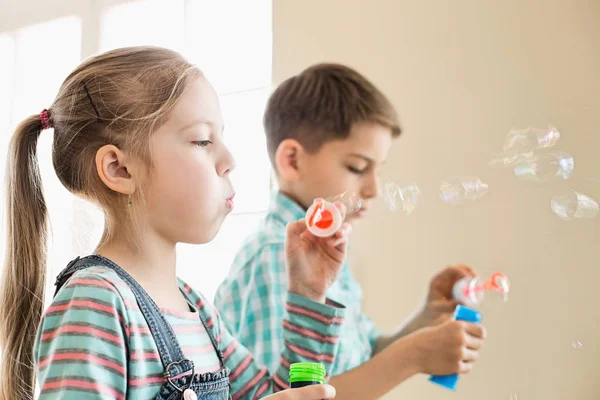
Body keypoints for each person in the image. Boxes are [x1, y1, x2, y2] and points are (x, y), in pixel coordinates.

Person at [0, 47, 353, 400]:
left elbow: (282, 395)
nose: (229, 159)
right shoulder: (95, 303)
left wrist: (308, 293)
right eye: (202, 140)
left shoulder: (197, 310)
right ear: (119, 169)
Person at [215, 63, 487, 399]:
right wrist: (414, 356)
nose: (374, 189)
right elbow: (293, 395)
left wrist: (425, 319)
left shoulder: (323, 255)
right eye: (358, 167)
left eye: (379, 170)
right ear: (293, 161)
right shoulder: (275, 258)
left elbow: (363, 359)